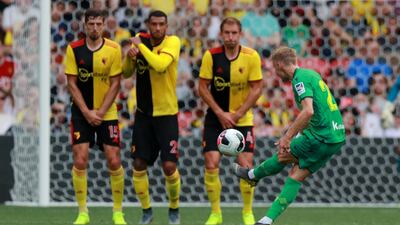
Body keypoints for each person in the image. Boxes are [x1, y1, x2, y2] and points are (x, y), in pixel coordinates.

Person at [233, 46, 346, 225]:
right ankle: (266, 221)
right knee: (296, 176)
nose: (277, 74)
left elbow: (308, 111)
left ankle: (252, 175)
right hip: (336, 137)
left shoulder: (299, 79)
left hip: (320, 136)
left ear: (279, 64)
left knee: (283, 154)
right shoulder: (312, 74)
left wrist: (287, 136)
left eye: (275, 69)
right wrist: (297, 133)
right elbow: (318, 110)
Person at [198, 17, 263, 225]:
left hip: (241, 120)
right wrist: (220, 113)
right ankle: (216, 213)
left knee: (245, 165)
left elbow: (257, 89)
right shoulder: (211, 56)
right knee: (211, 163)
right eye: (227, 33)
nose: (231, 37)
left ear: (240, 34)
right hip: (215, 119)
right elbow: (202, 87)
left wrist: (237, 114)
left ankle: (247, 212)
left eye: (234, 33)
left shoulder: (251, 56)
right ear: (221, 33)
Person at [64, 9, 126, 225]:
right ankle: (83, 212)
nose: (95, 28)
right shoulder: (74, 50)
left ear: (104, 25)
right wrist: (87, 112)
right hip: (82, 113)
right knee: (80, 160)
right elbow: (72, 84)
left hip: (106, 113)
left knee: (114, 159)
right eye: (91, 24)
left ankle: (118, 212)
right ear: (85, 25)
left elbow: (116, 83)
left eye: (99, 24)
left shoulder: (114, 49)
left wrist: (99, 113)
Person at [122, 10, 181, 225]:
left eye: (161, 24)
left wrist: (140, 47)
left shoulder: (173, 42)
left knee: (169, 167)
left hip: (166, 114)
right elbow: (127, 73)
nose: (157, 28)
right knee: (138, 164)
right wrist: (130, 57)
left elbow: (159, 65)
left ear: (166, 26)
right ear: (148, 24)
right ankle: (146, 211)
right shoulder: (141, 42)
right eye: (154, 24)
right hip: (144, 115)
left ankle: (174, 208)